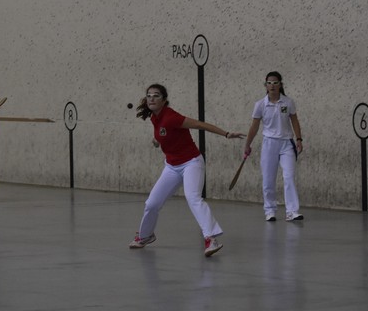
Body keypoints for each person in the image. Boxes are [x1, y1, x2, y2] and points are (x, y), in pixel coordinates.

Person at [129, 84, 244, 257]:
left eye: (156, 95)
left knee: (193, 198)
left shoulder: (171, 117)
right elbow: (164, 133)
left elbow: (200, 125)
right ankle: (145, 236)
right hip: (171, 166)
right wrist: (156, 140)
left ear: (164, 100)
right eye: (149, 95)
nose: (151, 98)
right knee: (151, 204)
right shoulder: (155, 117)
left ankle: (211, 238)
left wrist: (226, 134)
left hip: (191, 163)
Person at [243, 71, 305, 222]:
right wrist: (247, 144)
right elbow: (254, 126)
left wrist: (299, 139)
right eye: (269, 83)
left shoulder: (288, 102)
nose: (272, 86)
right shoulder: (260, 105)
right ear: (265, 86)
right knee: (268, 179)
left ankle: (292, 211)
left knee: (289, 176)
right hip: (269, 144)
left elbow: (294, 121)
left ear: (280, 85)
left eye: (275, 83)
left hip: (287, 144)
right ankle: (270, 210)